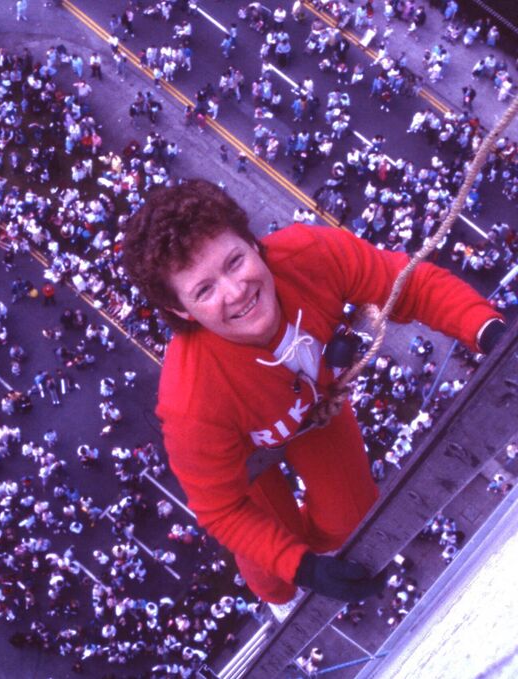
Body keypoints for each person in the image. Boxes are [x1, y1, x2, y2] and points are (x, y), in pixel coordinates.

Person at [121, 180, 506, 604]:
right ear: (180, 310)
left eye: (234, 262)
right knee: (276, 585)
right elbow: (221, 507)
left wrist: (490, 334)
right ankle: (287, 563)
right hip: (247, 458)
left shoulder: (309, 254)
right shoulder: (189, 400)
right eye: (203, 290)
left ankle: (308, 539)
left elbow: (407, 285)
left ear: (253, 243)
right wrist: (300, 565)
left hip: (312, 406)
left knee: (353, 519)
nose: (235, 293)